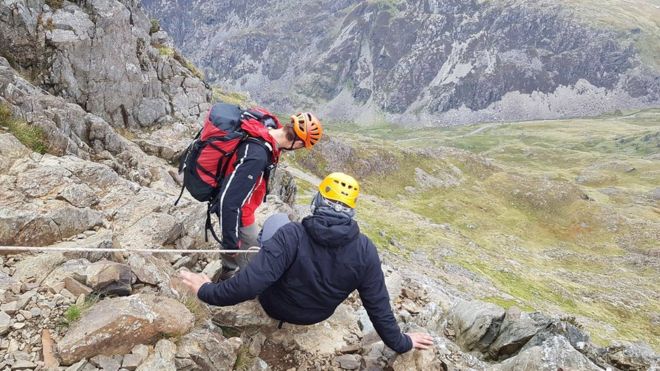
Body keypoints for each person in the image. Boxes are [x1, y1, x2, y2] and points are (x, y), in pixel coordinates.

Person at [181, 172, 434, 353]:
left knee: (276, 221)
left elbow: (248, 286)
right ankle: (269, 258)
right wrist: (403, 343)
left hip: (274, 305)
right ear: (351, 210)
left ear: (318, 200)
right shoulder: (365, 250)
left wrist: (205, 291)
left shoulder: (292, 234)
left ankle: (266, 257)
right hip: (315, 316)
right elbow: (379, 308)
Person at [214, 112, 323, 281]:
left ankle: (228, 272)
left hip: (242, 210)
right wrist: (231, 243)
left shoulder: (267, 131)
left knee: (239, 249)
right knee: (255, 266)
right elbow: (229, 200)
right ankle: (233, 287)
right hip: (242, 215)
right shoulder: (257, 156)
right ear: (298, 142)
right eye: (302, 146)